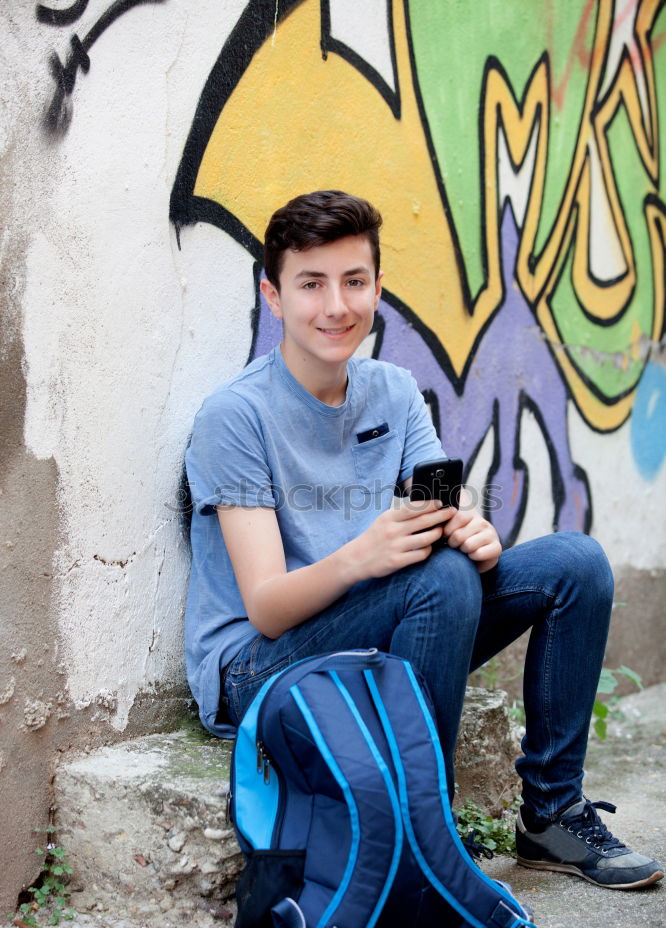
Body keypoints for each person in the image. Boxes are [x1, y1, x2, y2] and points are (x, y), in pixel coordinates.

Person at [185, 190, 662, 891]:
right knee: (438, 580)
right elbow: (265, 606)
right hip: (258, 671)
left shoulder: (396, 391)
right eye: (310, 284)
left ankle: (552, 815)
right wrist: (363, 558)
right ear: (274, 296)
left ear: (377, 288)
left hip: (381, 619)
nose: (336, 306)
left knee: (574, 564)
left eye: (354, 282)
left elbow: (442, 504)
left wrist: (474, 530)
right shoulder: (235, 416)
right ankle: (417, 839)